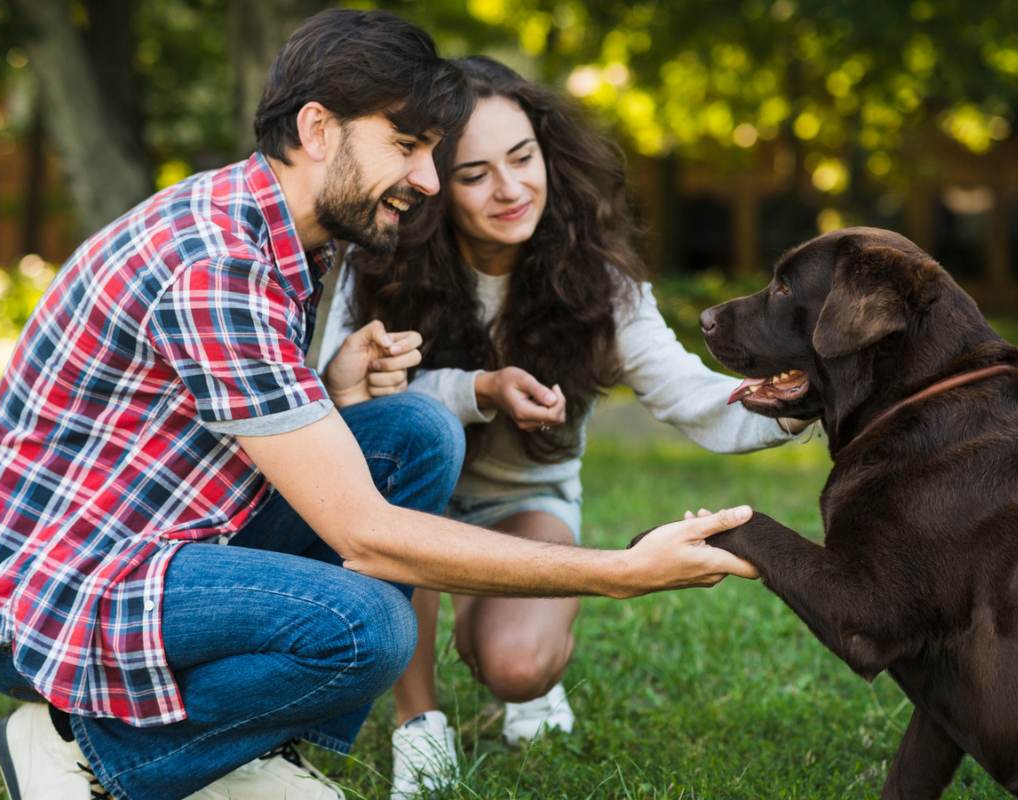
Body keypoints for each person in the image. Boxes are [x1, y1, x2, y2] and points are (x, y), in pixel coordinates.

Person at [0, 12, 761, 800]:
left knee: (415, 432)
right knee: (364, 628)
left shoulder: (284, 233)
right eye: (409, 146)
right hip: (50, 601)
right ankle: (92, 750)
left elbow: (218, 429)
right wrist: (623, 571)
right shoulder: (217, 264)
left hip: (155, 545)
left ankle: (237, 746)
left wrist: (334, 392)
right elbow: (364, 534)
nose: (427, 180)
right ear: (319, 130)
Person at [320, 55, 813, 799]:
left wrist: (798, 400)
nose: (511, 188)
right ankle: (419, 725)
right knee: (413, 451)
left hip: (525, 502)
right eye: (475, 173)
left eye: (522, 159)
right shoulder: (376, 264)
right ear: (430, 186)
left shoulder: (598, 281)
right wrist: (477, 388)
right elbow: (328, 389)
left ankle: (517, 656)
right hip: (406, 497)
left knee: (517, 667)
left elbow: (689, 395)